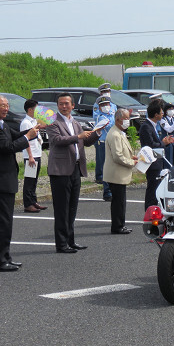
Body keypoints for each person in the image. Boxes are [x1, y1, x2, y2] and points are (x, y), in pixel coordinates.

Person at [0, 95, 38, 272]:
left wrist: (33, 131)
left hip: (5, 180)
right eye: (2, 106)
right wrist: (28, 136)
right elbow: (8, 147)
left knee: (6, 223)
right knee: (1, 223)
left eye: (7, 105)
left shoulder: (1, 123)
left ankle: (5, 257)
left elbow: (17, 137)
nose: (6, 109)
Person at [47, 93, 103, 254]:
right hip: (60, 170)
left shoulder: (75, 122)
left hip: (76, 168)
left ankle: (70, 240)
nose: (63, 106)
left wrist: (97, 132)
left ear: (73, 106)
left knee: (72, 208)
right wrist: (77, 136)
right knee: (61, 209)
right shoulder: (53, 121)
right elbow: (56, 140)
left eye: (66, 104)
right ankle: (61, 243)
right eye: (60, 104)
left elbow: (85, 141)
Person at [103, 109, 138, 234]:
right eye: (126, 118)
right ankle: (117, 226)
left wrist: (131, 157)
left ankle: (120, 224)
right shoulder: (115, 134)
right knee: (118, 202)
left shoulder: (120, 132)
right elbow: (117, 156)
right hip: (116, 174)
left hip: (119, 173)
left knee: (120, 201)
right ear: (118, 119)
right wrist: (131, 163)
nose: (128, 121)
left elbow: (123, 152)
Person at [140, 99, 174, 211]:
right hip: (151, 163)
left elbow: (157, 143)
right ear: (156, 115)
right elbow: (150, 145)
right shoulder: (146, 126)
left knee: (156, 188)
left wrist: (165, 142)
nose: (163, 114)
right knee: (152, 188)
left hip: (157, 162)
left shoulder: (154, 126)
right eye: (161, 112)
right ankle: (149, 211)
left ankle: (154, 209)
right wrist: (163, 143)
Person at [20, 99, 47, 213]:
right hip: (30, 155)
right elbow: (26, 140)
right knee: (29, 181)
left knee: (34, 180)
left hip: (37, 153)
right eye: (36, 109)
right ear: (30, 109)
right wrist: (30, 156)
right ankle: (28, 204)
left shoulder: (34, 121)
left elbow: (45, 124)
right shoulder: (25, 122)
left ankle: (33, 201)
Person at [94, 95, 115, 201]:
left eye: (107, 104)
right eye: (102, 105)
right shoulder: (100, 117)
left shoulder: (112, 114)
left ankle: (112, 189)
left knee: (113, 167)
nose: (105, 107)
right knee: (105, 168)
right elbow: (109, 124)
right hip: (103, 143)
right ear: (99, 107)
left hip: (113, 143)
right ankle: (107, 192)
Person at [160, 101, 174, 166]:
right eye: (169, 109)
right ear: (165, 111)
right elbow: (169, 130)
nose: (171, 111)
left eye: (172, 109)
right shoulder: (163, 120)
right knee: (168, 159)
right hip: (167, 140)